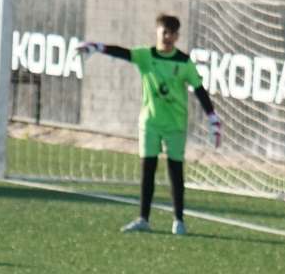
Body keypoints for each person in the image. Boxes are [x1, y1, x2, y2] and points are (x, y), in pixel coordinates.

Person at [77, 14, 219, 235]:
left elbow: (199, 90)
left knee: (175, 171)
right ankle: (143, 218)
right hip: (150, 123)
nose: (168, 37)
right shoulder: (146, 56)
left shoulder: (183, 62)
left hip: (175, 124)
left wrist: (212, 117)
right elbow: (123, 53)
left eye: (172, 33)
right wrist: (98, 47)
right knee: (148, 169)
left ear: (177, 36)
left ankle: (178, 220)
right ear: (158, 32)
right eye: (164, 32)